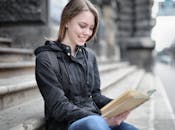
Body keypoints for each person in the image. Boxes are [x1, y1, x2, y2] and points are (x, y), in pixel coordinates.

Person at [34, 0, 139, 130]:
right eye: (82, 26)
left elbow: (95, 96)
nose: (87, 33)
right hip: (66, 124)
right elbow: (58, 106)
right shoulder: (45, 58)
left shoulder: (90, 56)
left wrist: (120, 105)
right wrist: (100, 119)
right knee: (95, 124)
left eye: (91, 28)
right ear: (67, 21)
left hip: (95, 119)